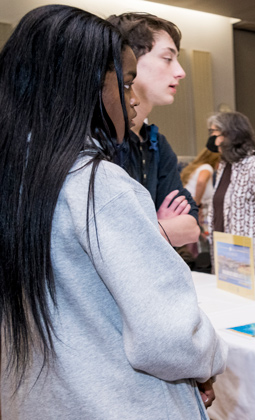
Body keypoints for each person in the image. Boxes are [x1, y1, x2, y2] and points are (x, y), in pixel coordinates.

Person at [0, 5, 226, 418]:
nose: (131, 101)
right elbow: (169, 338)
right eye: (124, 85)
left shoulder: (17, 182)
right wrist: (208, 359)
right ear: (83, 87)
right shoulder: (97, 185)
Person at [107, 12, 200, 247]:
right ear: (128, 59)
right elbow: (108, 237)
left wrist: (147, 230)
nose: (181, 72)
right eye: (168, 58)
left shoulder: (157, 144)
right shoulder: (100, 141)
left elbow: (190, 226)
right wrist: (160, 228)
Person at [209, 112, 255, 283]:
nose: (214, 142)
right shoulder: (223, 166)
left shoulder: (254, 166)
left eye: (217, 135)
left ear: (232, 135)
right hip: (224, 251)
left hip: (250, 255)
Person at [180, 137, 220, 249]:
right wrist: (196, 205)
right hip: (194, 208)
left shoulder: (197, 167)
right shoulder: (207, 168)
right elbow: (201, 182)